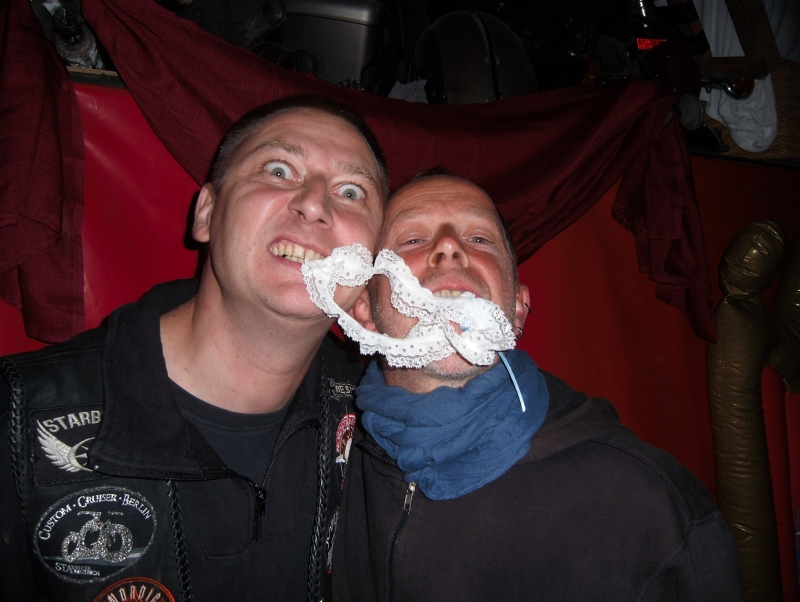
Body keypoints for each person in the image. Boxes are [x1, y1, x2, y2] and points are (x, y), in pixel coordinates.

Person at [0, 95, 387, 601]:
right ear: (206, 213)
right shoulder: (14, 417)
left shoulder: (381, 420)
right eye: (278, 170)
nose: (314, 203)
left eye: (351, 191)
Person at [330, 171, 744, 601]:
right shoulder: (326, 460)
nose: (449, 246)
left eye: (479, 239)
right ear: (365, 312)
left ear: (517, 309)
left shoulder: (648, 508)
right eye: (413, 239)